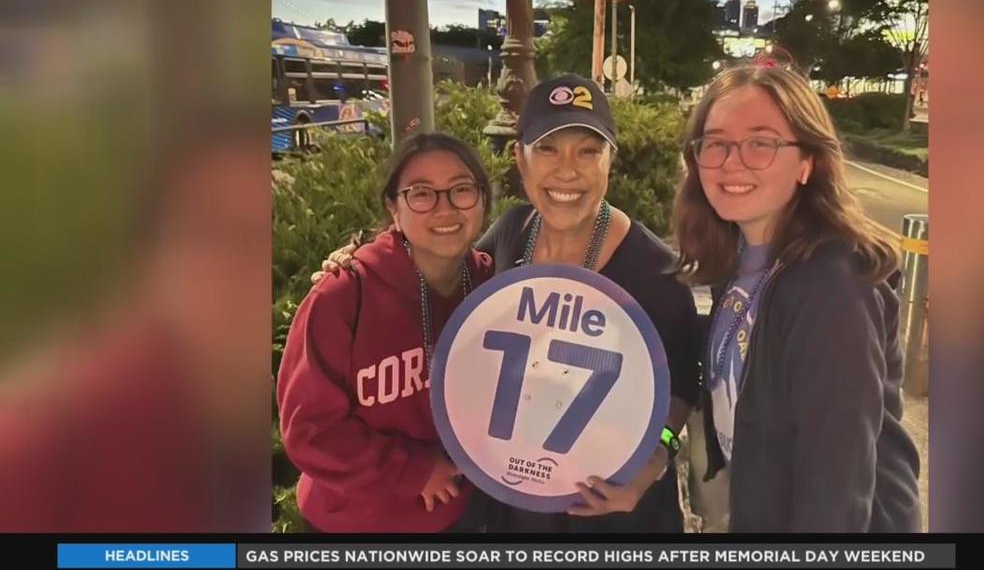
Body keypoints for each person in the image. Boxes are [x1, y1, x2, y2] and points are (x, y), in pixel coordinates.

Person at [318, 75, 700, 533]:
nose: (568, 170)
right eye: (548, 149)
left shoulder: (657, 271)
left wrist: (654, 458)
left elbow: (682, 387)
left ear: (609, 162)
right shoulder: (513, 231)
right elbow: (440, 282)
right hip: (511, 508)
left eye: (587, 151)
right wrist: (361, 265)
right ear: (520, 159)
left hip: (609, 516)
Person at [672, 63, 921, 532]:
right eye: (716, 143)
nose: (732, 161)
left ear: (807, 162)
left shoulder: (831, 286)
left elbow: (837, 488)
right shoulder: (742, 256)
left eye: (761, 143)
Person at [277, 132, 494, 533]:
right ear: (394, 208)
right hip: (355, 526)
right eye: (421, 193)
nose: (445, 208)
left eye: (461, 190)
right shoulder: (344, 295)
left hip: (459, 518)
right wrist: (413, 470)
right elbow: (309, 431)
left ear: (482, 200)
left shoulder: (493, 289)